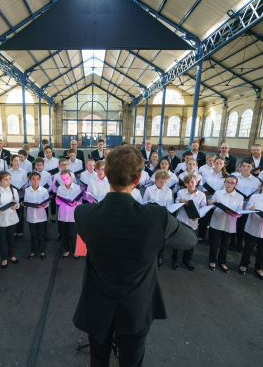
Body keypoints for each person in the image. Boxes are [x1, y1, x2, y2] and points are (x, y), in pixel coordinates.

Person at [73, 145, 197, 366]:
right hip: (136, 305)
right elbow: (190, 239)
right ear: (139, 178)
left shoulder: (83, 213)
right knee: (132, 361)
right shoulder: (155, 218)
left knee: (98, 359)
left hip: (97, 302)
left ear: (107, 174)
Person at [208, 175, 243, 273]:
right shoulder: (218, 193)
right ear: (224, 182)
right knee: (214, 242)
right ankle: (212, 260)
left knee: (225, 243)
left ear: (236, 184)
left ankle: (222, 262)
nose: (229, 184)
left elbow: (240, 211)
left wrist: (235, 213)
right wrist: (210, 202)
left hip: (229, 221)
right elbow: (213, 207)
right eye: (227, 181)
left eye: (232, 182)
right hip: (217, 220)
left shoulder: (239, 197)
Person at [172, 174, 206, 272]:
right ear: (185, 184)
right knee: (177, 242)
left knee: (190, 243)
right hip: (181, 220)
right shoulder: (181, 192)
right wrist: (180, 201)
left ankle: (187, 260)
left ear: (196, 182)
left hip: (193, 222)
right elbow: (176, 203)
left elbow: (203, 208)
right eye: (189, 182)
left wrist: (199, 216)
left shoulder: (201, 195)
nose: (191, 184)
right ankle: (175, 260)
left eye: (193, 182)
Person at [228, 159, 261, 253]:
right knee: (233, 223)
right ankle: (232, 242)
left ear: (252, 168)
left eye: (249, 166)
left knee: (242, 226)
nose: (246, 168)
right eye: (244, 166)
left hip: (246, 206)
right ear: (240, 167)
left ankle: (239, 243)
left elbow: (256, 194)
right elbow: (228, 187)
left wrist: (249, 198)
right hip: (233, 204)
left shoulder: (256, 180)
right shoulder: (234, 176)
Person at [0, 171, 19, 269]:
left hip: (11, 218)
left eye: (9, 179)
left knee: (11, 238)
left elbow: (17, 203)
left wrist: (16, 206)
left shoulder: (14, 190)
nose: (8, 181)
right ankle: (4, 257)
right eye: (6, 179)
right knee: (2, 240)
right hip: (0, 219)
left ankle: (11, 255)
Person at [198, 157, 227, 241]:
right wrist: (205, 192)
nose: (218, 165)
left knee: (214, 219)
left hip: (219, 200)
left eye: (221, 163)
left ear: (223, 164)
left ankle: (212, 238)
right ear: (213, 163)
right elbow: (201, 186)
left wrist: (217, 193)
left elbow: (225, 189)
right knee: (204, 218)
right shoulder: (206, 173)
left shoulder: (226, 175)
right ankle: (201, 236)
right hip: (207, 198)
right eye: (217, 163)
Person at [55, 170, 82, 260]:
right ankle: (67, 250)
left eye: (67, 178)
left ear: (71, 177)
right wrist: (57, 201)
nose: (65, 180)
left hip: (72, 215)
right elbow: (57, 202)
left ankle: (75, 251)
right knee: (64, 233)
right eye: (63, 179)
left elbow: (80, 201)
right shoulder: (60, 188)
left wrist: (75, 203)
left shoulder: (77, 188)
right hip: (62, 214)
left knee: (73, 234)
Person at [23, 172, 49, 260]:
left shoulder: (44, 190)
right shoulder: (27, 190)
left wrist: (43, 205)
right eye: (33, 179)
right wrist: (24, 204)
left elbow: (47, 203)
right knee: (33, 234)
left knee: (41, 234)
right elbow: (26, 202)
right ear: (30, 180)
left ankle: (42, 250)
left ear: (40, 180)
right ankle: (33, 250)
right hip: (31, 216)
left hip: (41, 215)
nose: (35, 181)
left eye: (37, 179)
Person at [8, 155, 28, 239]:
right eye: (15, 161)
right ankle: (13, 230)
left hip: (20, 194)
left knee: (20, 213)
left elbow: (26, 183)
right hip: (10, 195)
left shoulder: (23, 172)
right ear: (11, 162)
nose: (18, 162)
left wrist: (22, 188)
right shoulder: (7, 172)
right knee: (12, 212)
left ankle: (20, 230)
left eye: (19, 161)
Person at [34, 157, 54, 234]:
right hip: (35, 197)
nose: (39, 166)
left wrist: (45, 191)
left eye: (41, 165)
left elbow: (50, 186)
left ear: (44, 165)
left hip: (44, 197)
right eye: (37, 165)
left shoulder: (48, 174)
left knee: (44, 214)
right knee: (36, 215)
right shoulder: (33, 175)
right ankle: (36, 231)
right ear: (35, 166)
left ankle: (44, 231)